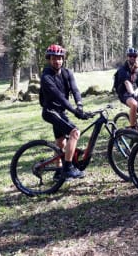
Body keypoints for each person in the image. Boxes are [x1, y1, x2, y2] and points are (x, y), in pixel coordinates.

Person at [40, 44, 91, 181]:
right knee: (75, 132)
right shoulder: (46, 77)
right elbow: (60, 98)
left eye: (59, 58)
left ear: (63, 59)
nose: (57, 61)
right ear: (49, 59)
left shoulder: (67, 73)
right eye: (53, 58)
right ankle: (68, 168)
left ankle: (58, 172)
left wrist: (79, 106)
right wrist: (74, 111)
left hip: (60, 112)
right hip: (51, 111)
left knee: (61, 143)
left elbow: (75, 90)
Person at [115, 47, 138, 129]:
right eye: (130, 56)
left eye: (134, 56)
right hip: (124, 93)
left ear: (137, 57)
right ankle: (132, 128)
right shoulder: (123, 69)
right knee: (134, 104)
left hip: (134, 93)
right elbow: (127, 82)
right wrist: (132, 93)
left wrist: (136, 92)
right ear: (127, 57)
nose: (132, 57)